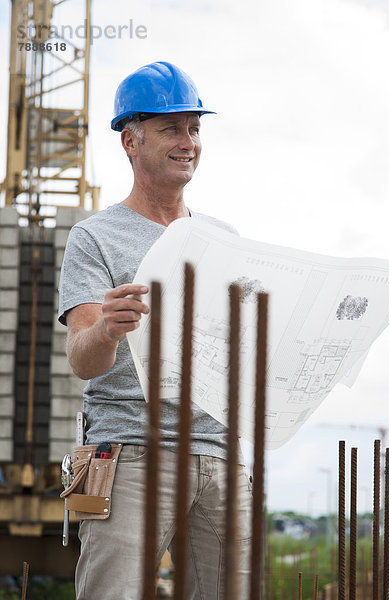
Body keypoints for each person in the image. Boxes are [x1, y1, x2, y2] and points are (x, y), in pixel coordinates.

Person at [58, 61, 253, 600]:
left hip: (219, 456)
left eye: (194, 129)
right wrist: (108, 331)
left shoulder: (222, 238)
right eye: (172, 128)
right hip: (130, 456)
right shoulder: (95, 237)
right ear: (131, 140)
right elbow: (83, 360)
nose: (187, 141)